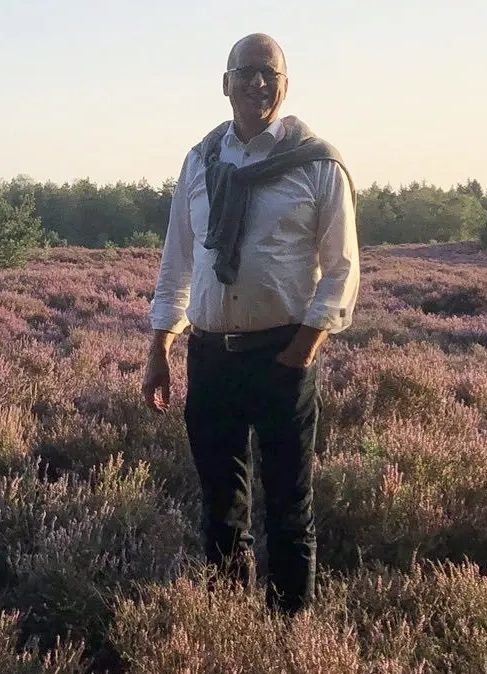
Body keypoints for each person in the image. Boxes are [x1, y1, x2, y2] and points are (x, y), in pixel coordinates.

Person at [143, 33, 359, 612]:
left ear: (285, 85)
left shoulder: (318, 163)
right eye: (245, 72)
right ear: (225, 83)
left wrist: (304, 349)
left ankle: (288, 634)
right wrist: (160, 347)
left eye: (269, 73)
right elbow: (177, 262)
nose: (257, 82)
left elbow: (343, 268)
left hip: (283, 356)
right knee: (220, 506)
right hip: (210, 356)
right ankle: (231, 627)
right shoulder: (199, 162)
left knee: (289, 507)